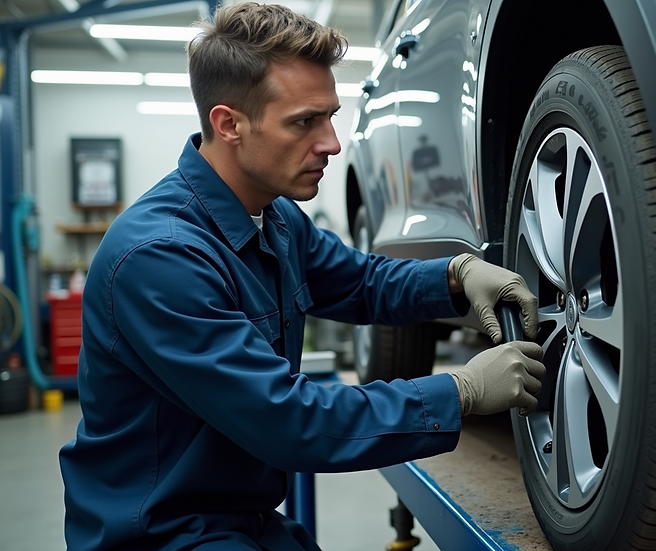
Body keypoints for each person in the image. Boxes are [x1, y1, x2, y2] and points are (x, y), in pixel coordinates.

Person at [58, 3, 544, 550]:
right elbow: (290, 421)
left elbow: (361, 283)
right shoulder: (159, 258)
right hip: (160, 533)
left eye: (331, 116)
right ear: (229, 124)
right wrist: (461, 391)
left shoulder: (276, 216)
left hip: (242, 516)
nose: (332, 144)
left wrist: (456, 275)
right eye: (304, 122)